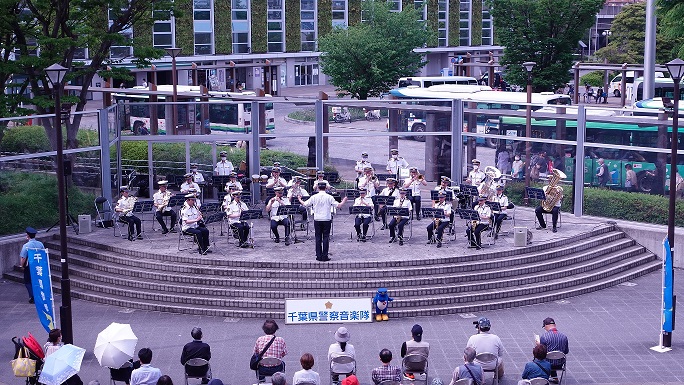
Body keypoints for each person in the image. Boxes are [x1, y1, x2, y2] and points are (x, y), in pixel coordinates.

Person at [298, 182, 348, 261]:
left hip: (317, 219)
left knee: (318, 237)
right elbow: (338, 206)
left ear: (317, 188)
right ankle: (325, 256)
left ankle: (318, 255)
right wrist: (344, 200)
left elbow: (305, 204)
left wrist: (299, 199)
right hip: (326, 219)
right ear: (326, 188)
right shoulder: (329, 197)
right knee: (325, 237)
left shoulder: (314, 197)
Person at [538, 318, 569, 383]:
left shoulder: (544, 337)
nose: (544, 329)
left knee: (539, 358)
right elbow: (566, 351)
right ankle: (554, 378)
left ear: (546, 325)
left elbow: (541, 353)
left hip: (547, 364)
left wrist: (538, 345)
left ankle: (542, 378)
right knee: (554, 355)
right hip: (560, 364)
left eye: (544, 327)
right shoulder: (564, 337)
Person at [19, 226, 44, 303]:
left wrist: (22, 265)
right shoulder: (40, 244)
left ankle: (32, 296)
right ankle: (40, 295)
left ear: (28, 235)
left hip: (30, 265)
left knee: (28, 281)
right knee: (38, 280)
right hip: (39, 264)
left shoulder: (26, 246)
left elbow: (23, 258)